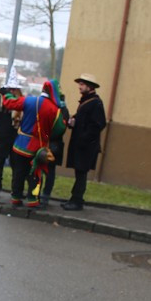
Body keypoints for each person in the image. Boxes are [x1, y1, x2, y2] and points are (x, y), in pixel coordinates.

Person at [2, 81, 63, 208]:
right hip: (39, 148)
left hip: (21, 145)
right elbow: (60, 128)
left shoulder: (29, 101)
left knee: (18, 172)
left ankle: (16, 198)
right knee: (35, 174)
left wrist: (7, 95)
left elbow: (10, 103)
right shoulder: (55, 110)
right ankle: (32, 199)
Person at [62, 73, 107, 211]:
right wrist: (73, 120)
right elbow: (83, 119)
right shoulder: (87, 101)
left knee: (81, 174)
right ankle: (75, 199)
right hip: (82, 145)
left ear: (89, 86)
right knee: (79, 173)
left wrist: (83, 138)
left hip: (86, 146)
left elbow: (98, 124)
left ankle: (77, 201)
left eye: (82, 84)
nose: (79, 87)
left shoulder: (95, 103)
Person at [0, 87, 18, 198]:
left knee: (16, 165)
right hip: (2, 137)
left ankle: (16, 190)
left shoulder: (19, 99)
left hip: (15, 137)